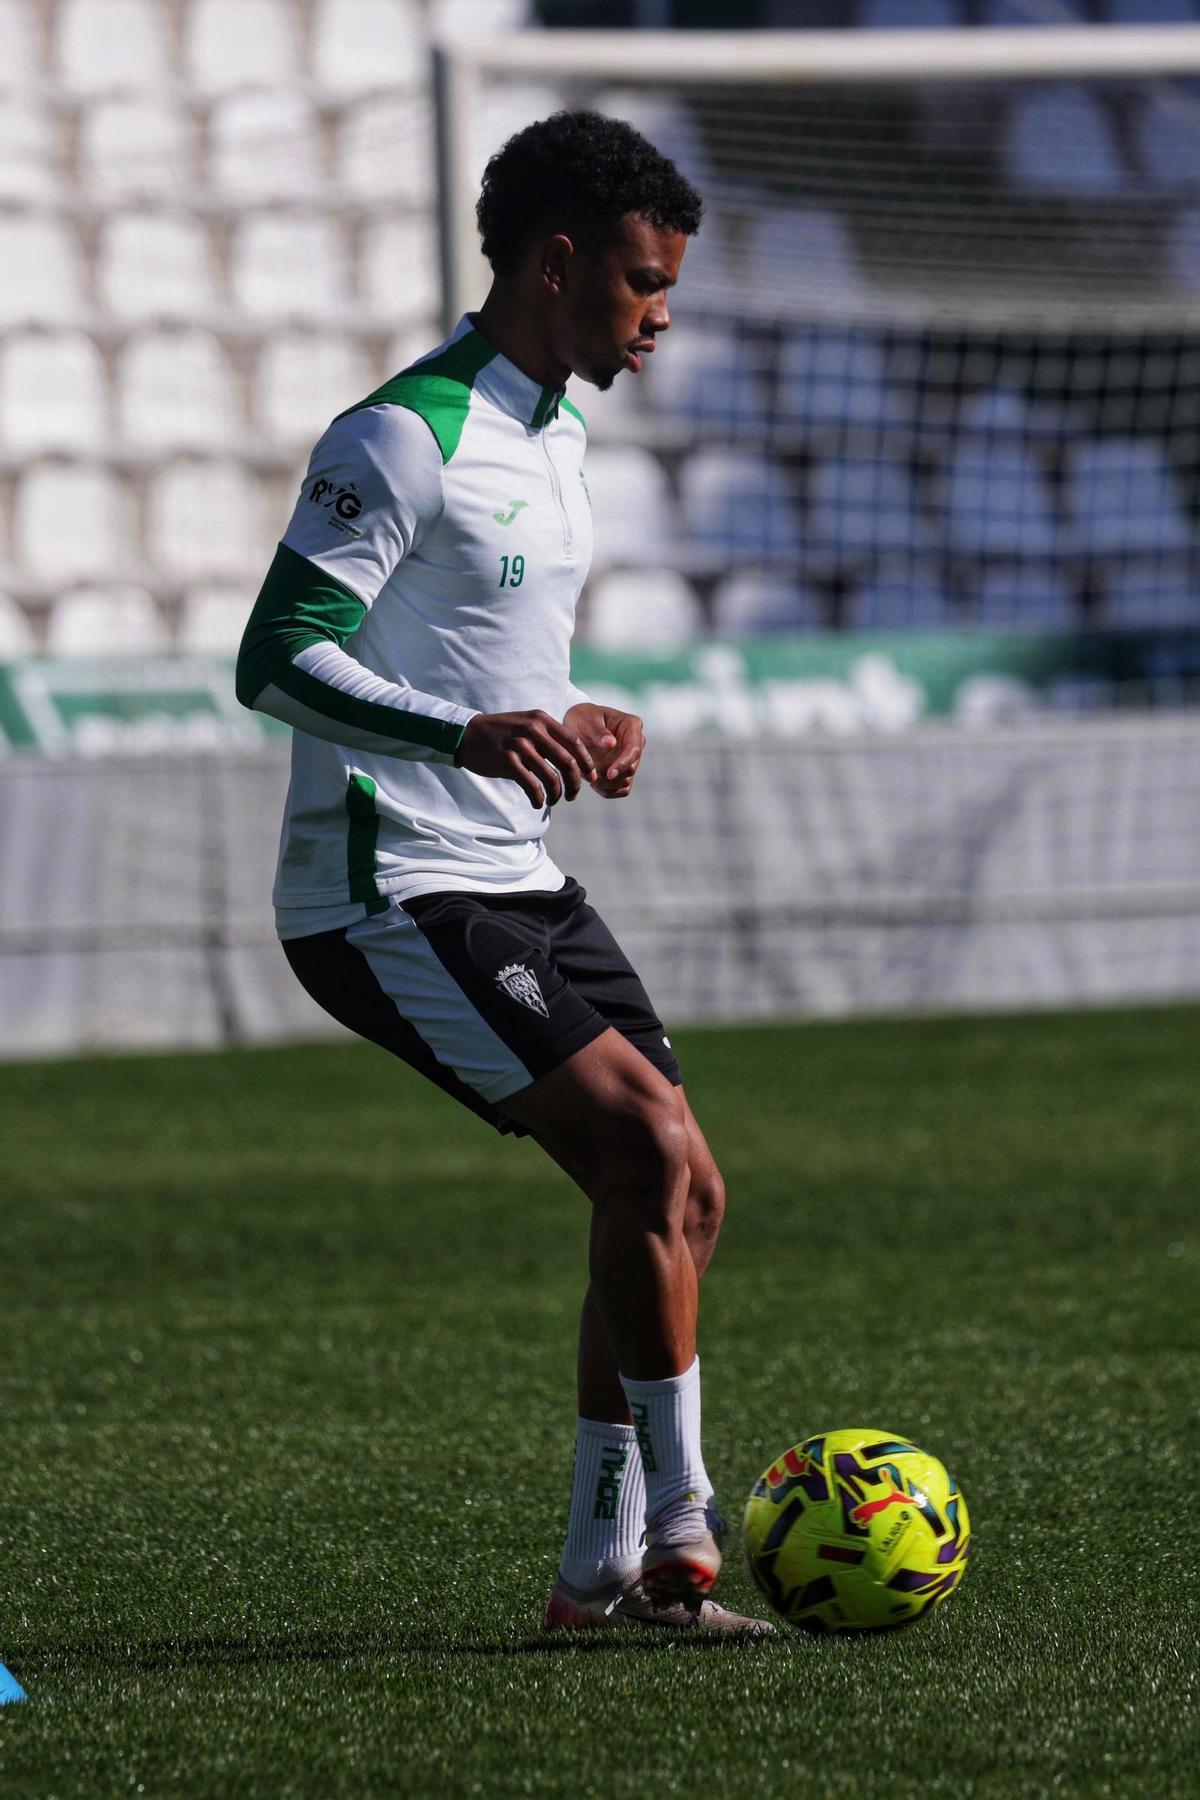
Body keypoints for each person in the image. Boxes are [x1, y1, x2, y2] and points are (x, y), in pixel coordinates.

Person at [236, 110, 771, 1635]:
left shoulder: (561, 435)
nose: (659, 315)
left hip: (512, 869)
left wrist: (574, 717)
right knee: (645, 1146)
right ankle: (684, 1525)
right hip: (385, 886)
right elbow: (273, 657)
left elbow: (485, 654)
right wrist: (466, 735)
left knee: (684, 1190)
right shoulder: (403, 435)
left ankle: (597, 1575)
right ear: (556, 263)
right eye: (643, 281)